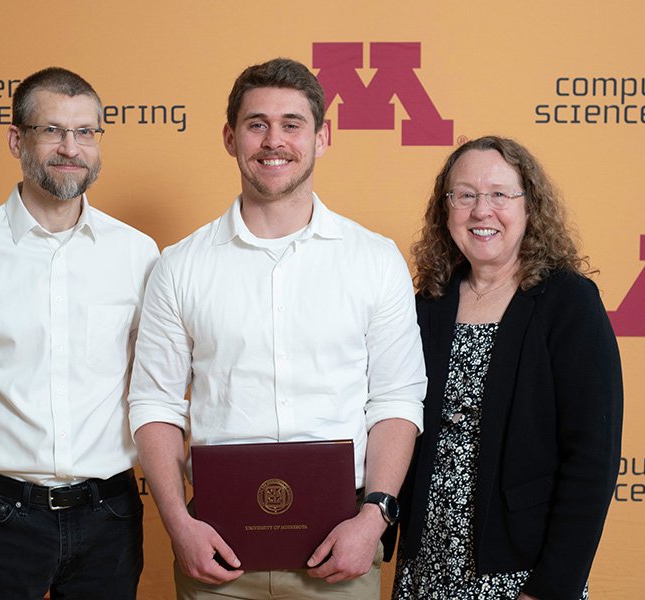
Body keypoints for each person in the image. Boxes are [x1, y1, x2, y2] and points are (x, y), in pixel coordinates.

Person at [127, 57, 427, 599]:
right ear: (230, 137)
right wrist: (179, 524)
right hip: (215, 553)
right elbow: (154, 405)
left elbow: (396, 401)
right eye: (256, 123)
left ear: (322, 137)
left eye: (292, 124)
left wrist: (375, 518)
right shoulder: (180, 266)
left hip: (342, 549)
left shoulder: (375, 261)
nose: (274, 141)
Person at [0, 67, 158, 599]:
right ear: (16, 139)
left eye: (86, 132)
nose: (71, 147)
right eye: (52, 130)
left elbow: (151, 386)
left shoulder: (138, 254)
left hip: (110, 513)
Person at [391, 136, 623, 600]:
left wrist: (553, 585)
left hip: (522, 571)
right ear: (446, 208)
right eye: (466, 195)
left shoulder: (568, 302)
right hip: (427, 565)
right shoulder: (425, 306)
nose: (482, 210)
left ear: (529, 206)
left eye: (500, 194)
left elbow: (592, 458)